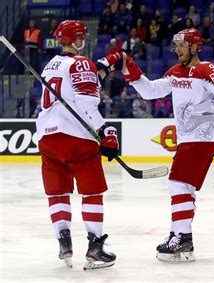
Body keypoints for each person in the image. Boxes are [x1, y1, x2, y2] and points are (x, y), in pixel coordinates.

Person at [98, 28, 214, 262]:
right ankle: (180, 234)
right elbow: (151, 91)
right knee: (183, 188)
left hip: (203, 136)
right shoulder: (176, 72)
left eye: (182, 45)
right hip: (191, 138)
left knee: (177, 184)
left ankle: (183, 238)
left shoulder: (207, 69)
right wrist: (132, 72)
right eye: (176, 45)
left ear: (196, 46)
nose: (177, 49)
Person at [36, 20, 119, 269]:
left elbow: (79, 83)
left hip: (47, 137)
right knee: (92, 192)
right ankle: (95, 248)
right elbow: (86, 105)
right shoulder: (81, 62)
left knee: (58, 192)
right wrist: (105, 131)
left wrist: (103, 66)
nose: (85, 39)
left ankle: (64, 243)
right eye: (82, 35)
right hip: (76, 138)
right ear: (76, 39)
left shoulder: (50, 65)